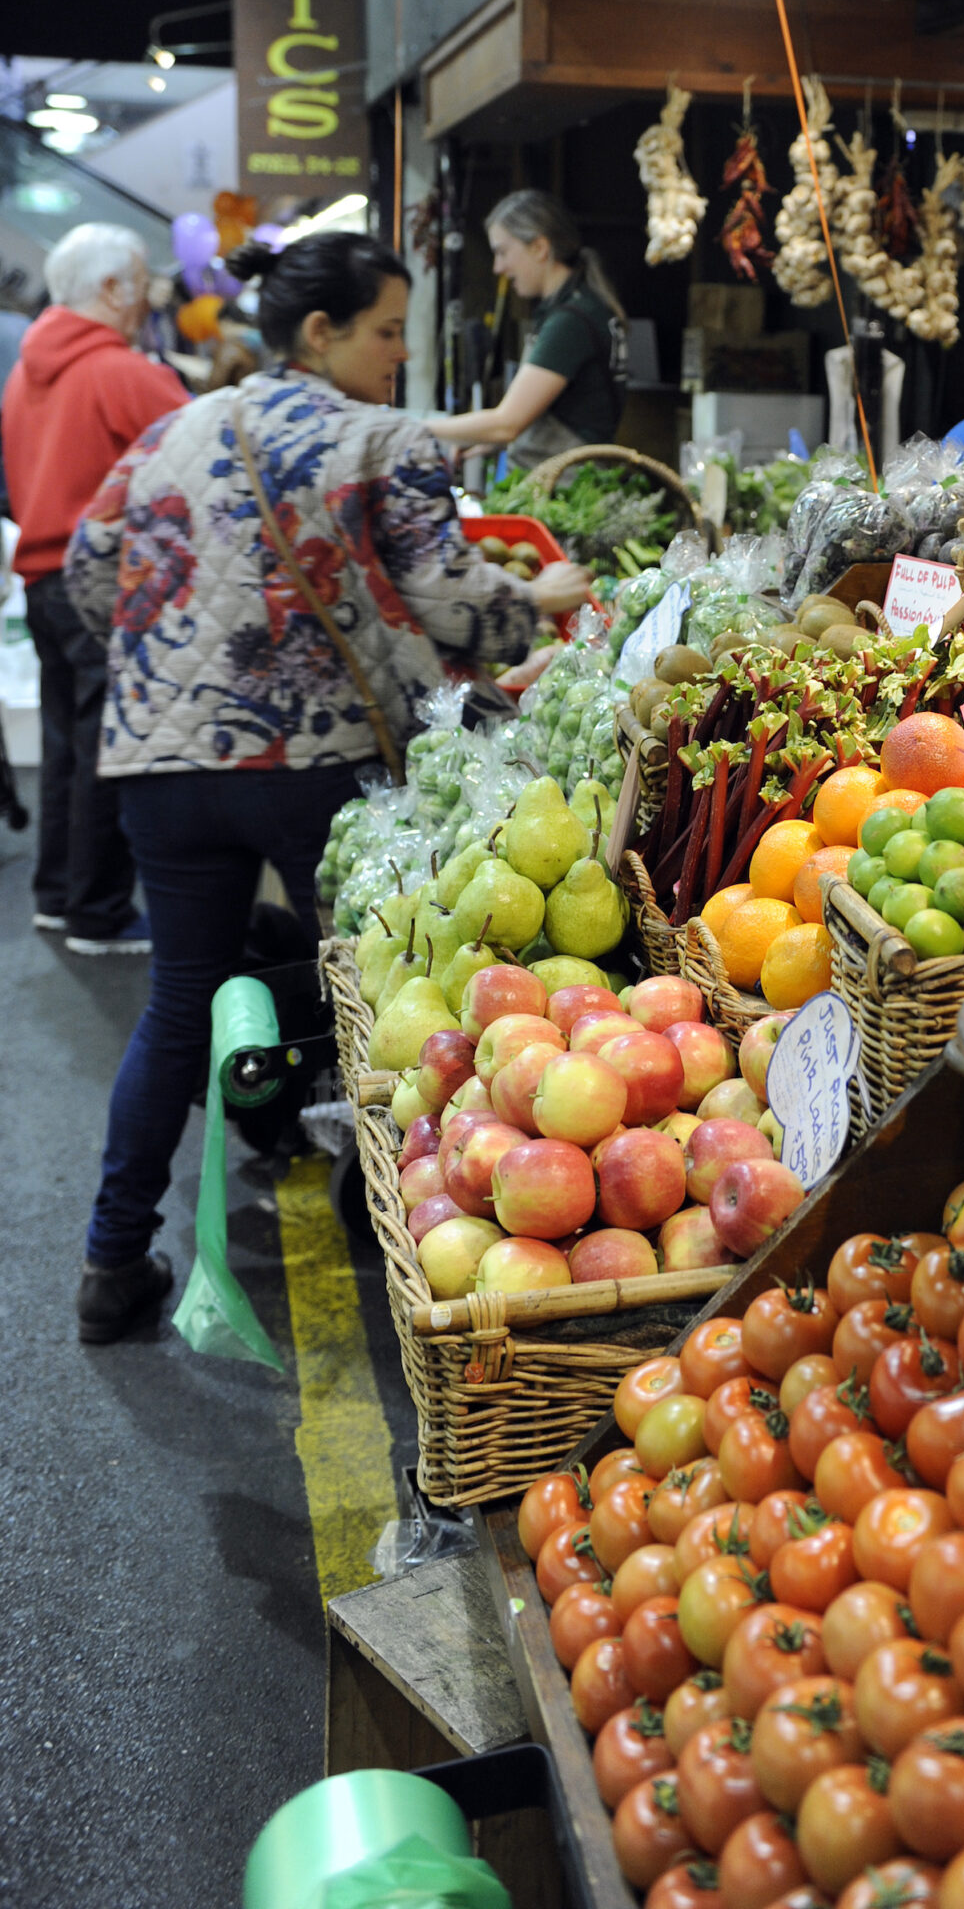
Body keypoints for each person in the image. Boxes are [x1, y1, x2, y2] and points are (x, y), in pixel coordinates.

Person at [64, 230, 590, 1344]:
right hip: (315, 764)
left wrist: (174, 662)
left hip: (160, 760)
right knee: (364, 988)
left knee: (176, 1000)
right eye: (389, 329)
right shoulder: (380, 436)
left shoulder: (170, 425)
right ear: (322, 331)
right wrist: (539, 597)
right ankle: (384, 1213)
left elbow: (87, 563)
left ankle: (112, 1263)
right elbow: (449, 597)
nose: (401, 355)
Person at [2, 224, 188, 952]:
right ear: (112, 288)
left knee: (65, 747)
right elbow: (202, 447)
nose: (150, 298)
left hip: (41, 579)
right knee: (106, 748)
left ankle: (58, 896)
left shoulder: (26, 371)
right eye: (142, 281)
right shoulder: (118, 369)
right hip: (101, 587)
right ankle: (98, 912)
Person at [429, 190, 626, 468]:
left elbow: (506, 424)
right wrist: (481, 441)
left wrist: (417, 427)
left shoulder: (570, 322)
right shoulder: (581, 307)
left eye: (502, 252)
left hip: (563, 490)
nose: (498, 267)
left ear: (539, 248)